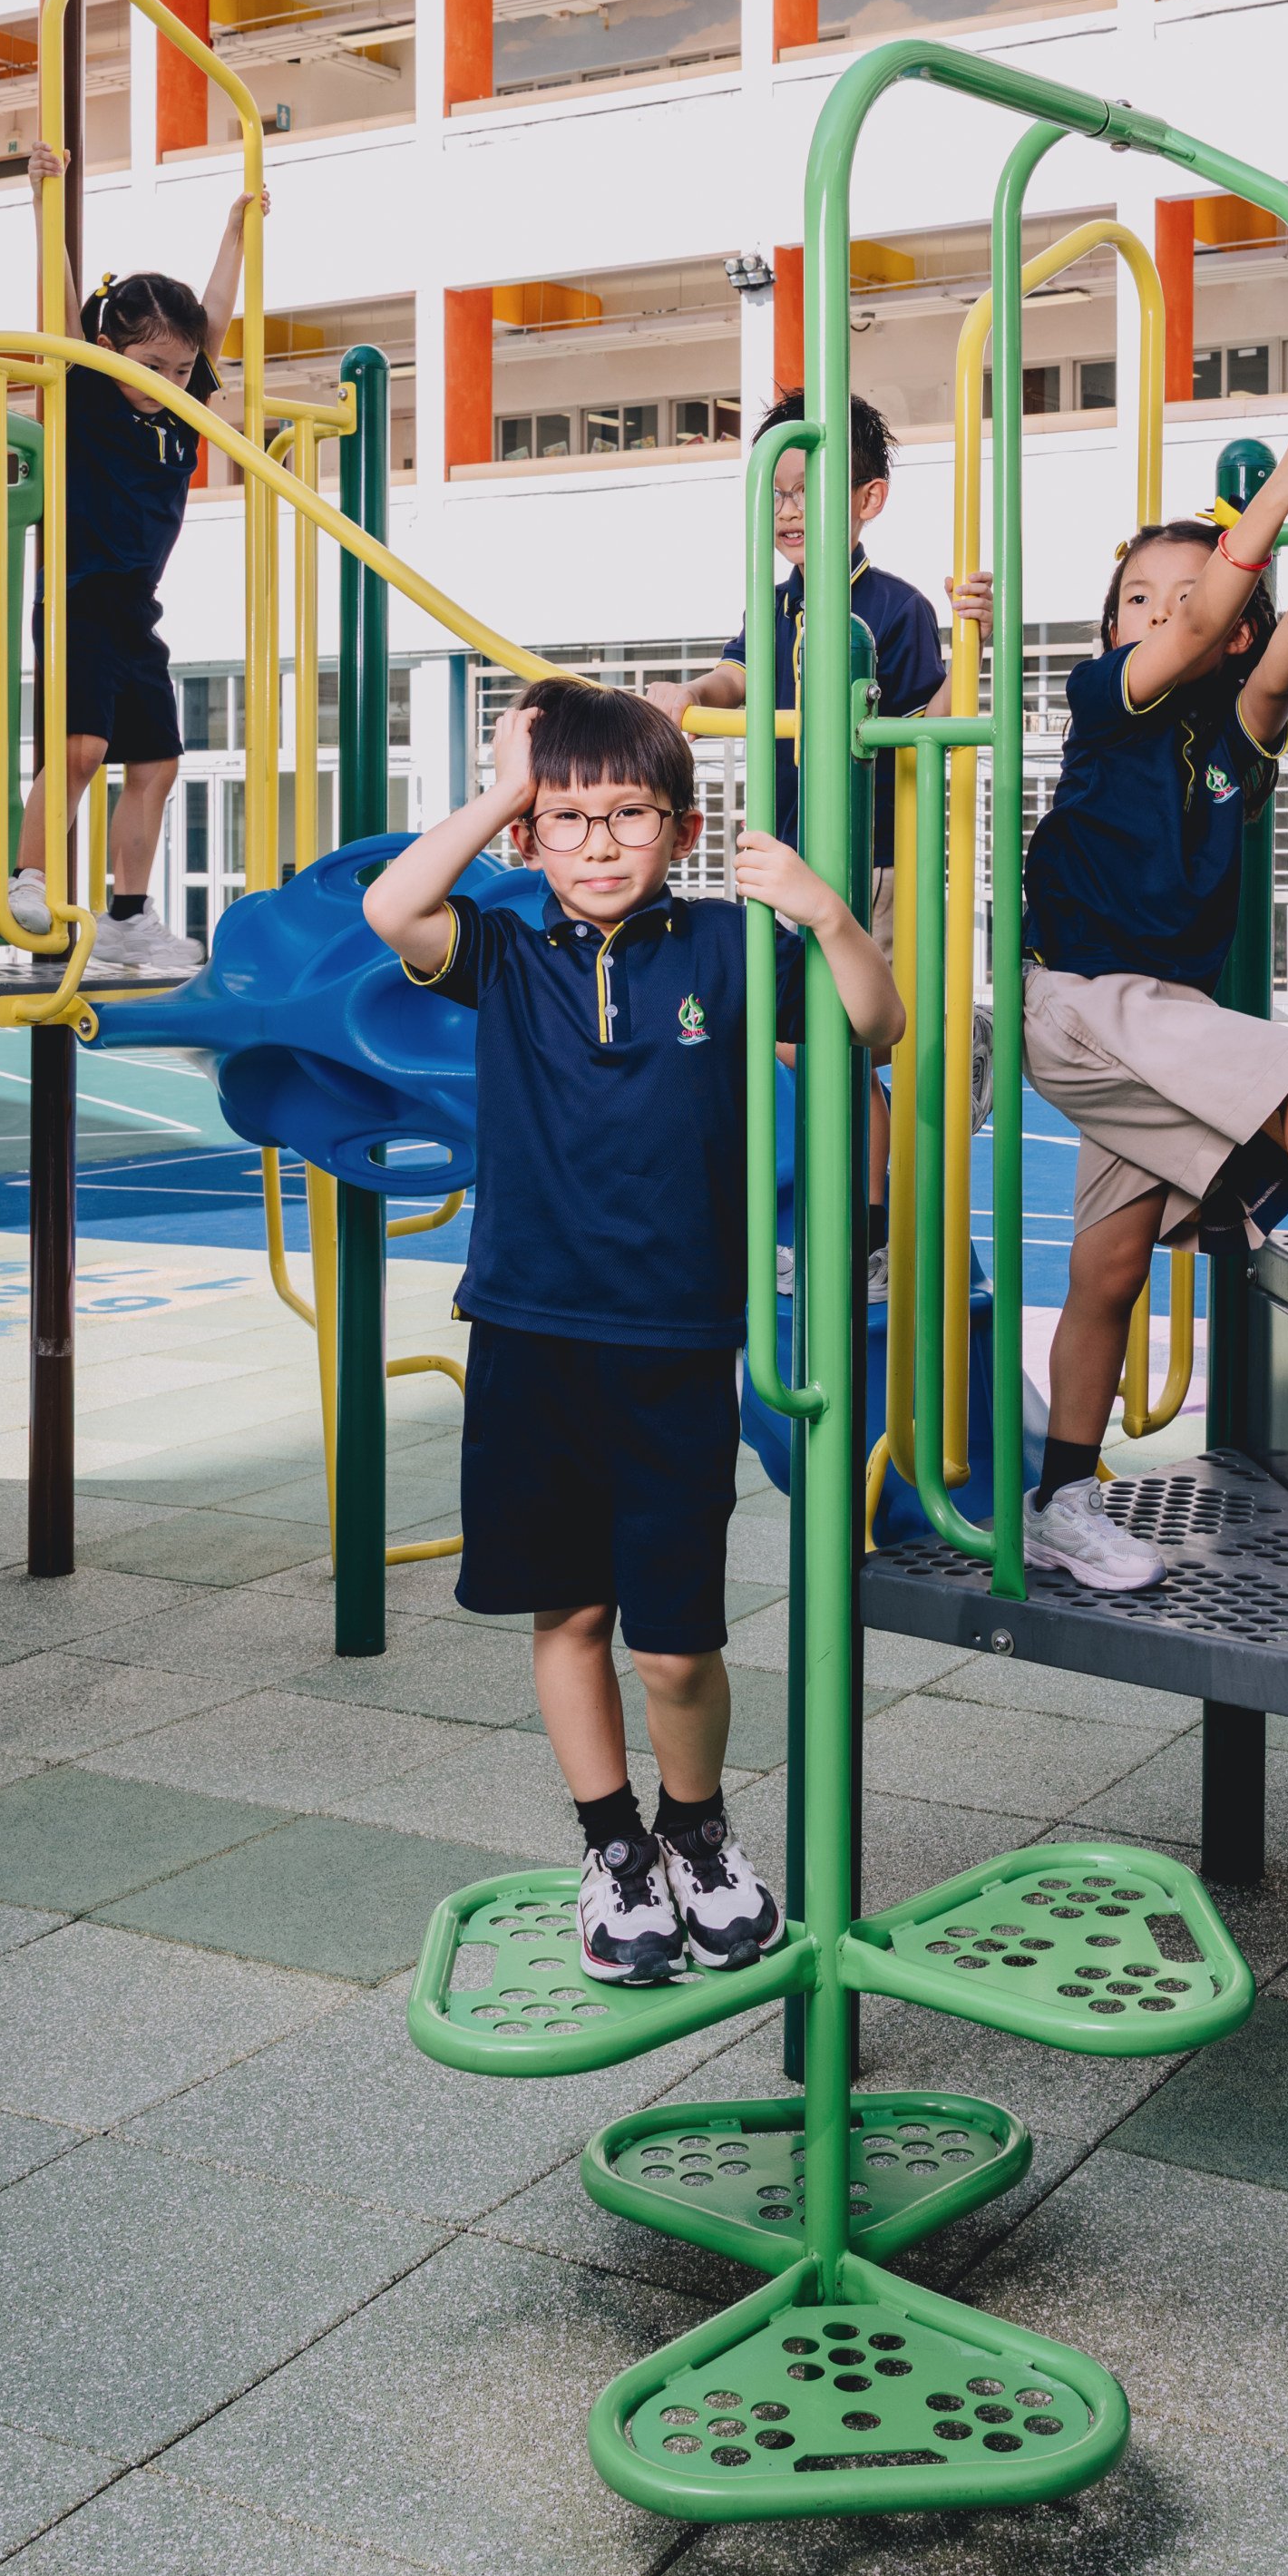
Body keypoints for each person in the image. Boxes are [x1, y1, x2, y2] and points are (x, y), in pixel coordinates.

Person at [360, 675, 903, 1986]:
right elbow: (393, 909)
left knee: (673, 1641)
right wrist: (502, 788)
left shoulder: (721, 947)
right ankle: (612, 1850)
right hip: (529, 1330)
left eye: (628, 816)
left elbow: (873, 1023)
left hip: (673, 1337)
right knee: (569, 1612)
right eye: (568, 818)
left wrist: (825, 911)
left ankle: (698, 1832)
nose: (597, 843)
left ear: (682, 826)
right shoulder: (500, 949)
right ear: (528, 838)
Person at [973, 426, 1288, 1599]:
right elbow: (1209, 629)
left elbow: (1274, 663)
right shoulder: (1103, 703)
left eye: (1186, 593)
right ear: (1115, 630)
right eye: (1138, 600)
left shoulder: (1228, 741)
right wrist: (1266, 508)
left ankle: (1059, 1496)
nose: (1164, 613)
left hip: (1146, 1025)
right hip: (1079, 998)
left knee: (1106, 1268)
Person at [649, 386, 953, 1286]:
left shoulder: (892, 609)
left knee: (845, 1042)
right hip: (789, 857)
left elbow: (928, 719)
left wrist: (975, 645)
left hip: (869, 861)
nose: (786, 510)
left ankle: (867, 1233)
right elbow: (734, 677)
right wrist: (689, 697)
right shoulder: (773, 602)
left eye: (807, 489)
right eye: (774, 491)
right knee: (789, 1040)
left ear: (866, 501)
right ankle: (850, 1216)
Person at [0, 147, 261, 983]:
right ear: (112, 348)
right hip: (77, 594)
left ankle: (126, 918)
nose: (170, 381)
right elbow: (57, 296)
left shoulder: (184, 409)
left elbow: (216, 315)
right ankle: (28, 882)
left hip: (136, 605)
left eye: (181, 369)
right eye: (152, 366)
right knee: (79, 749)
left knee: (156, 763)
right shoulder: (86, 386)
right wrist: (48, 197)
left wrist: (234, 230)